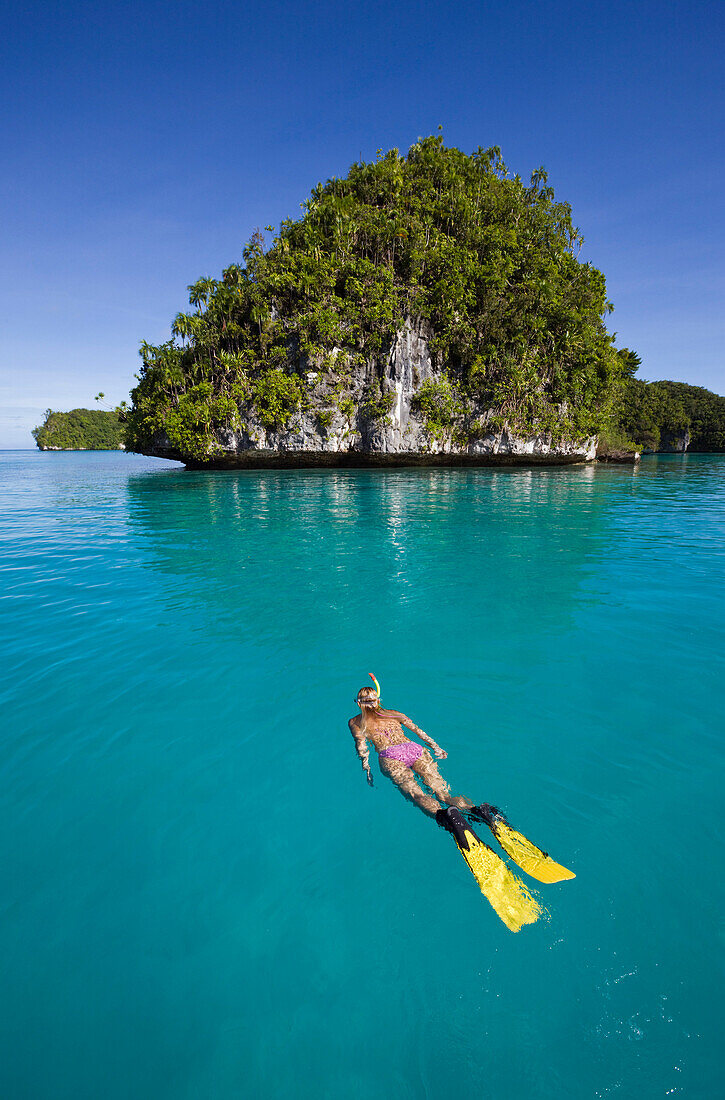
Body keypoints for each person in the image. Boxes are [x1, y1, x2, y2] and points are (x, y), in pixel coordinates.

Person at [349, 675, 475, 818]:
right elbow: (418, 730)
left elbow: (362, 747)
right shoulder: (394, 714)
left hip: (390, 756)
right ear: (378, 700)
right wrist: (436, 747)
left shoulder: (355, 722)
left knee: (417, 795)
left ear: (359, 704)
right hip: (414, 749)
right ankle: (475, 810)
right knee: (444, 795)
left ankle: (446, 819)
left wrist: (367, 768)